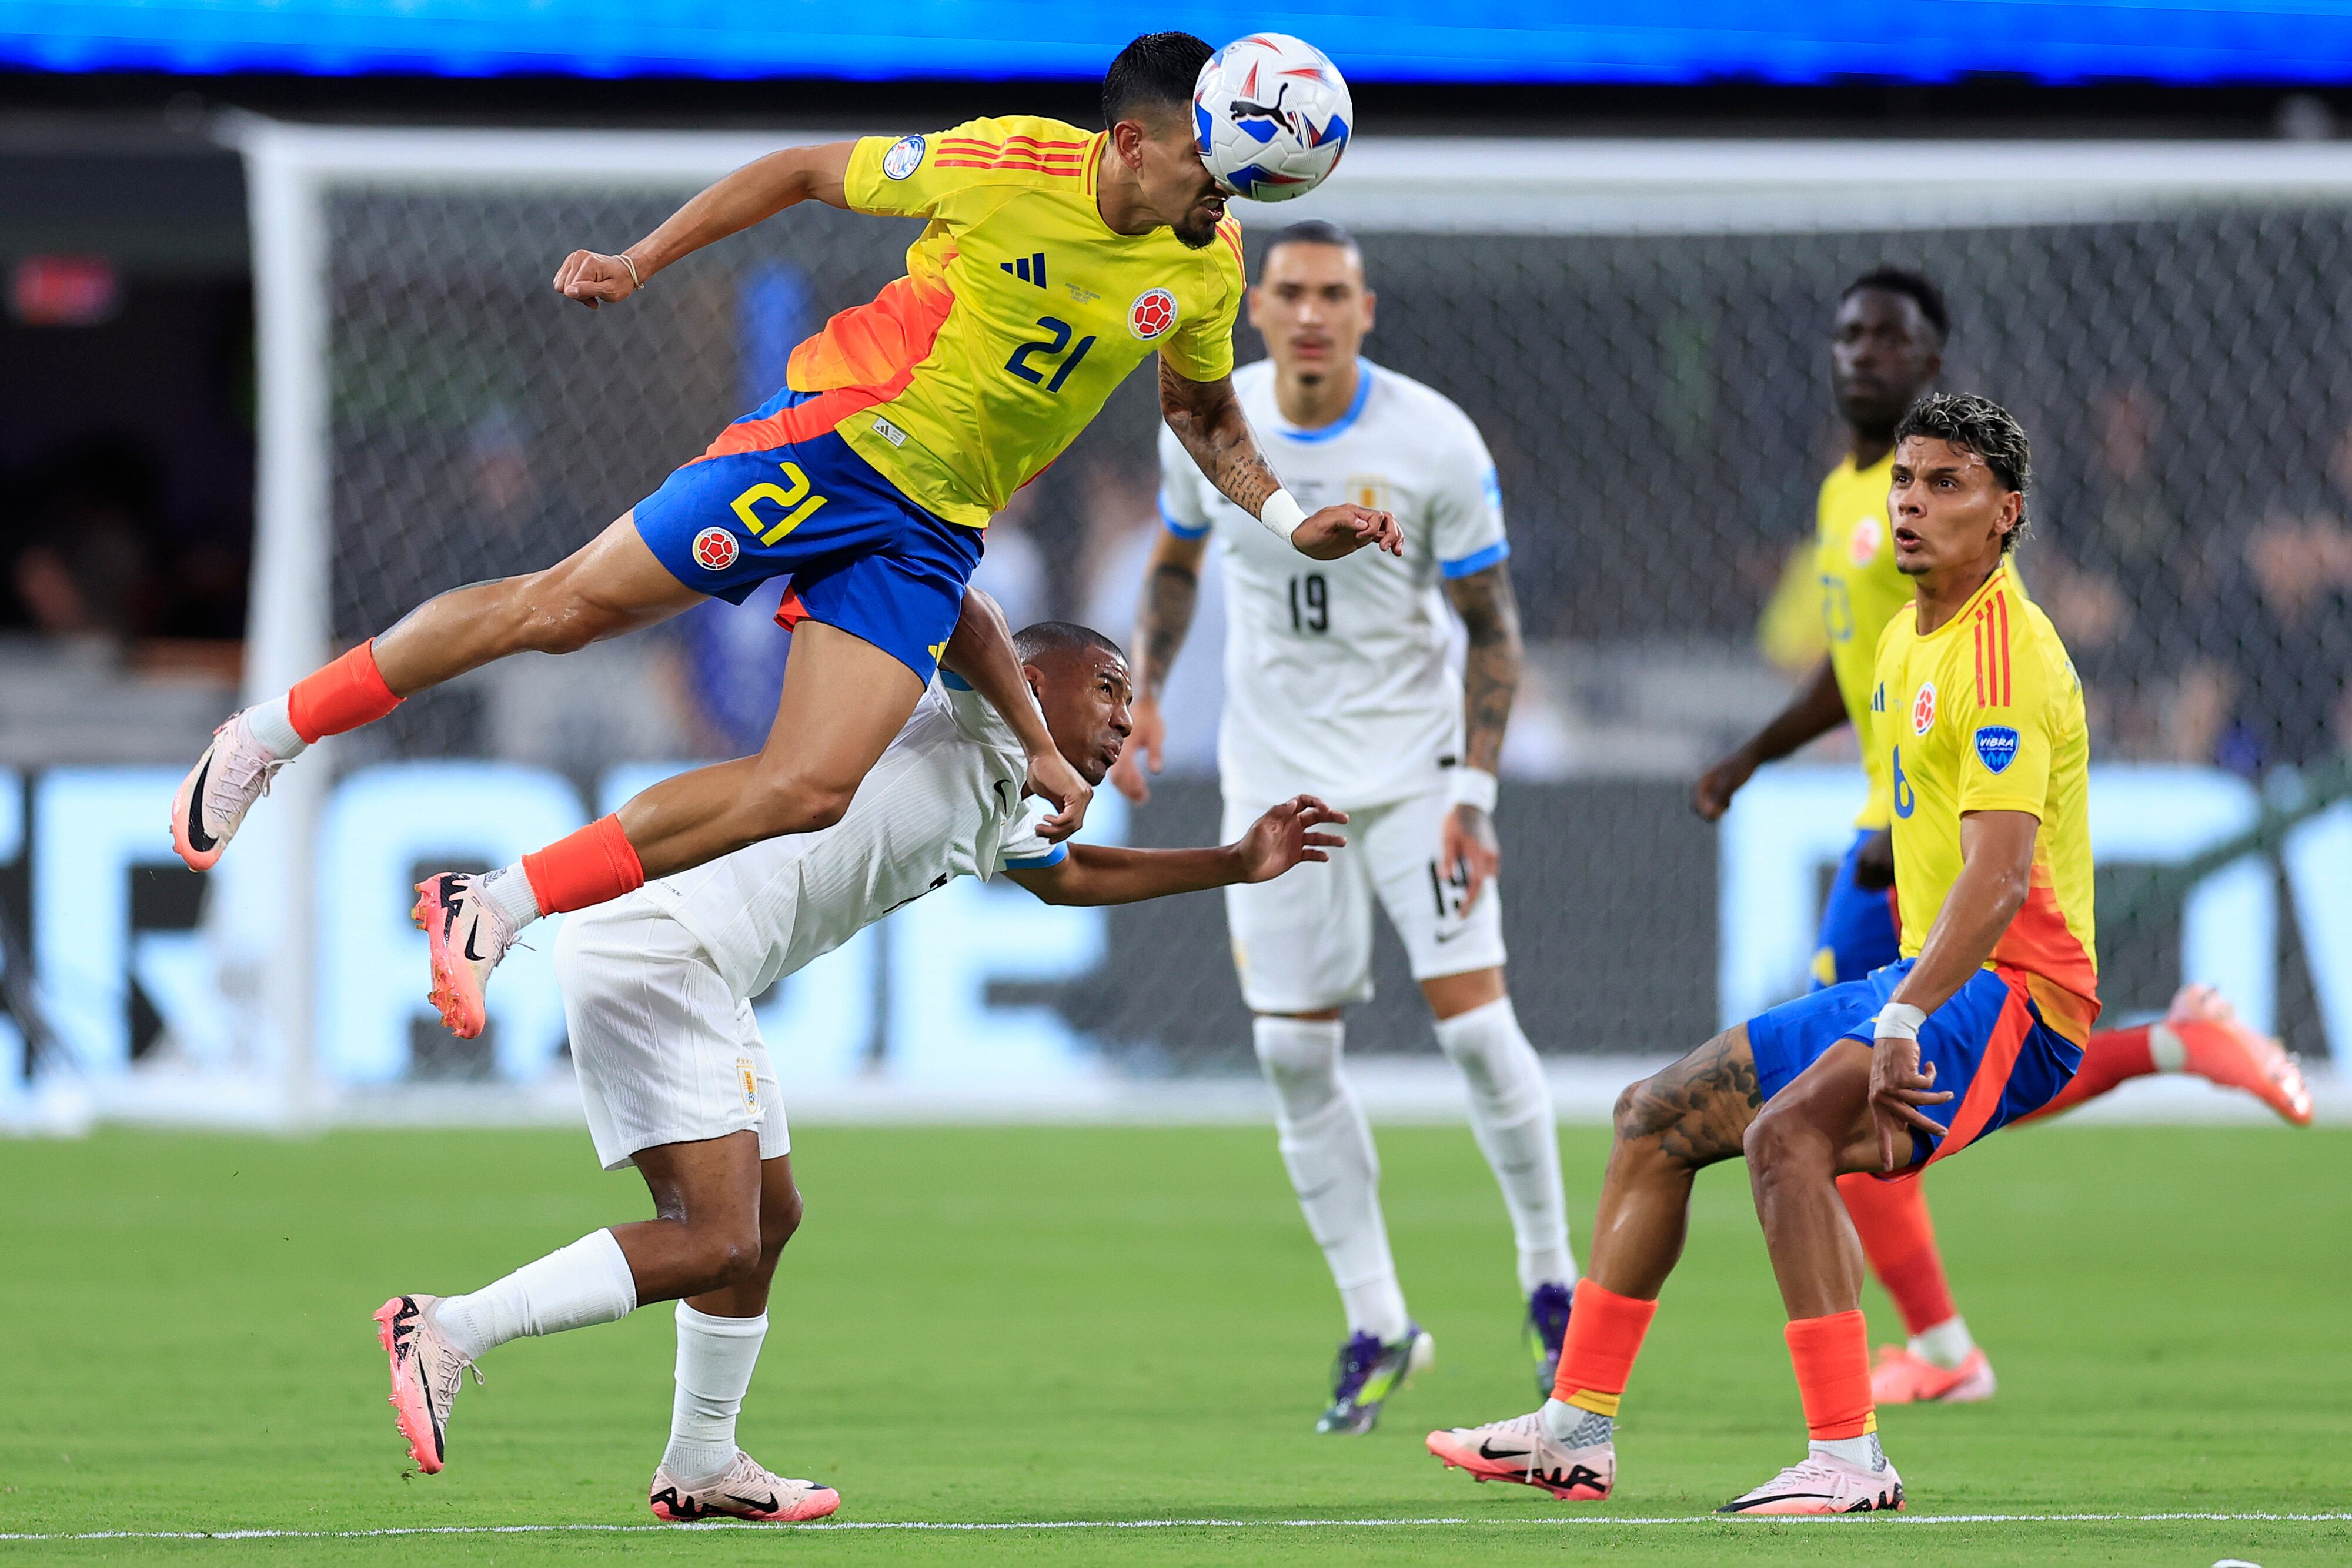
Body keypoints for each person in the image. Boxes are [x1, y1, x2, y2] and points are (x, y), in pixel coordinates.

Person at [171, 31, 1400, 1040]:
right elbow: (805, 169)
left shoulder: (1209, 260)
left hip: (931, 530)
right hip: (834, 445)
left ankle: (490, 904)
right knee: (560, 612)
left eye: (1238, 183)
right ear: (1131, 143)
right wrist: (641, 261)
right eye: (1206, 171)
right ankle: (267, 734)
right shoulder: (1004, 163)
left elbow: (1199, 410)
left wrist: (1292, 518)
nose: (1218, 199)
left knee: (807, 791)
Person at [372, 598, 1349, 1522]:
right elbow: (967, 611)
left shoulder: (1010, 778)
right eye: (1107, 688)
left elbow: (1067, 876)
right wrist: (1046, 744)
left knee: (772, 1215)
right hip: (665, 949)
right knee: (716, 1239)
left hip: (708, 966)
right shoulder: (977, 716)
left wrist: (1231, 862)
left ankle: (702, 1461)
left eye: (1130, 704)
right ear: (1037, 681)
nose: (1125, 720)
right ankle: (450, 1328)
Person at [1429, 394, 2126, 1513]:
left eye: (1946, 485)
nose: (1910, 503)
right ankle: (1574, 1429)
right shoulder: (1907, 635)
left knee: (1783, 1135)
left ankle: (1848, 1461)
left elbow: (2000, 884)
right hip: (1923, 979)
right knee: (1653, 1116)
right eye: (1905, 479)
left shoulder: (2007, 654)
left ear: (2007, 515)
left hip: (2016, 997)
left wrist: (1900, 1017)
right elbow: (1943, 827)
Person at [1692, 270, 2308, 1409]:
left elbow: (1964, 666)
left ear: (1930, 370)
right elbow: (1855, 662)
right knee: (1906, 1087)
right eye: (1845, 335)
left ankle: (1923, 1352)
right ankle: (2162, 1053)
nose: (1859, 354)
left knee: (1866, 1089)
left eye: (1889, 340)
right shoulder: (1845, 495)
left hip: (1911, 839)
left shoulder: (1953, 532)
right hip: (1881, 824)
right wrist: (1754, 753)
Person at [1113, 220, 1576, 1435]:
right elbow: (1172, 562)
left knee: (1478, 1035)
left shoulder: (1432, 440)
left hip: (1417, 774)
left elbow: (1494, 628)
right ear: (1255, 310)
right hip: (1274, 782)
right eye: (1290, 293)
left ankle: (1553, 1287)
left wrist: (1473, 794)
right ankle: (1376, 1322)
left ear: (1365, 311)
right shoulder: (1209, 413)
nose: (1310, 313)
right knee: (1290, 1056)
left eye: (1333, 294)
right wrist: (1148, 686)